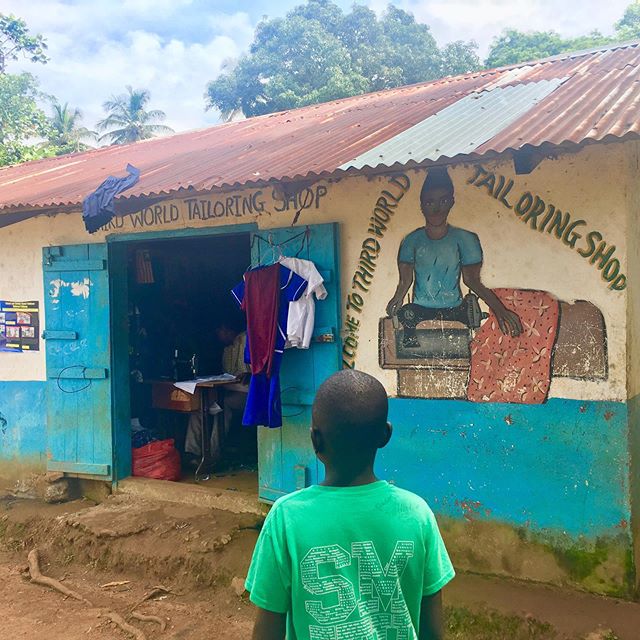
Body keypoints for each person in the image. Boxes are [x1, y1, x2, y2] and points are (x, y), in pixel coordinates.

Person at [246, 370, 454, 640]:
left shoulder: (286, 517)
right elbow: (432, 631)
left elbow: (267, 630)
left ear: (315, 439)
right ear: (385, 435)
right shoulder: (417, 514)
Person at [386, 167, 521, 347]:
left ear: (451, 202)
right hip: (420, 309)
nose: (436, 208)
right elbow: (405, 282)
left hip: (454, 309)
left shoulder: (466, 239)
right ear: (421, 205)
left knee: (471, 322)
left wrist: (500, 311)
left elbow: (472, 281)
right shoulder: (411, 241)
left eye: (443, 200)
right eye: (429, 202)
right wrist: (396, 300)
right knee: (407, 316)